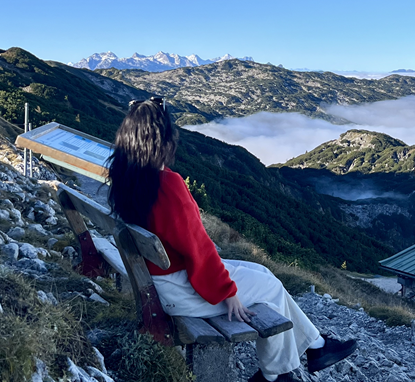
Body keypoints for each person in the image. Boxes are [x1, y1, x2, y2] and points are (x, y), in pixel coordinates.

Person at [107, 98, 357, 381]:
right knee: (271, 288)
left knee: (263, 273)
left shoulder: (128, 178)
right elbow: (198, 248)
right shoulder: (167, 184)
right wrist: (227, 292)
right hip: (178, 291)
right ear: (161, 141)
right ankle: (277, 375)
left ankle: (315, 347)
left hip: (160, 283)